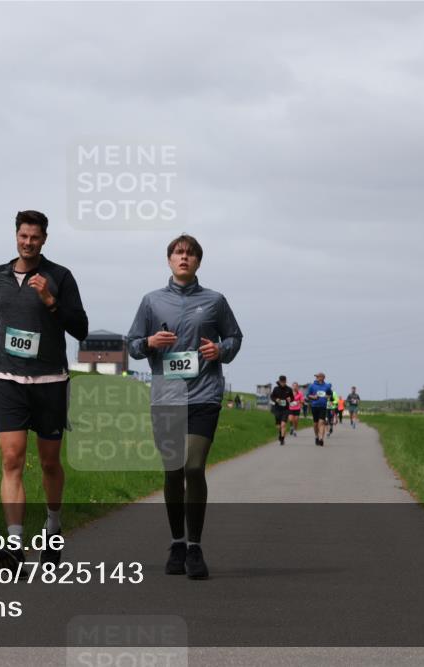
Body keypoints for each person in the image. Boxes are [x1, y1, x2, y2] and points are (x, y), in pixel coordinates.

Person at [0, 210, 89, 570]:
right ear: (16, 236)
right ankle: (13, 546)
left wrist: (51, 301)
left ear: (44, 239)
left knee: (50, 462)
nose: (28, 242)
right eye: (23, 236)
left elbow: (81, 329)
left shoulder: (60, 277)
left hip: (50, 381)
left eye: (34, 237)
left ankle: (53, 527)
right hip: (8, 378)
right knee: (11, 459)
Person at [127, 234, 242, 580]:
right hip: (166, 398)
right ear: (169, 260)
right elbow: (131, 345)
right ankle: (177, 542)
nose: (184, 258)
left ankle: (195, 547)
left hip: (204, 394)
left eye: (190, 254)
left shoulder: (215, 301)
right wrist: (149, 342)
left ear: (198, 262)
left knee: (193, 467)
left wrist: (220, 351)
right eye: (178, 253)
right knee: (173, 472)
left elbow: (235, 337)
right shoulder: (151, 302)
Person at [307, 372, 333, 446]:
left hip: (323, 406)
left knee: (321, 422)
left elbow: (330, 396)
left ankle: (321, 438)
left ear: (323, 377)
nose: (317, 378)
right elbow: (308, 395)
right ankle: (316, 436)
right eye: (316, 376)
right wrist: (313, 397)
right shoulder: (312, 386)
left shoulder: (327, 386)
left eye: (318, 376)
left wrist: (328, 397)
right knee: (315, 424)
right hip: (314, 406)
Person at [270, 375, 293, 445]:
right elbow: (272, 396)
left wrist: (290, 399)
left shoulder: (289, 389)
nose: (283, 383)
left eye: (284, 382)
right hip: (277, 409)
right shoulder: (276, 388)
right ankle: (280, 433)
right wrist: (276, 399)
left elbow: (292, 397)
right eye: (281, 382)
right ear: (279, 382)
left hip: (286, 409)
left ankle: (282, 439)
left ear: (286, 381)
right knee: (278, 426)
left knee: (283, 424)